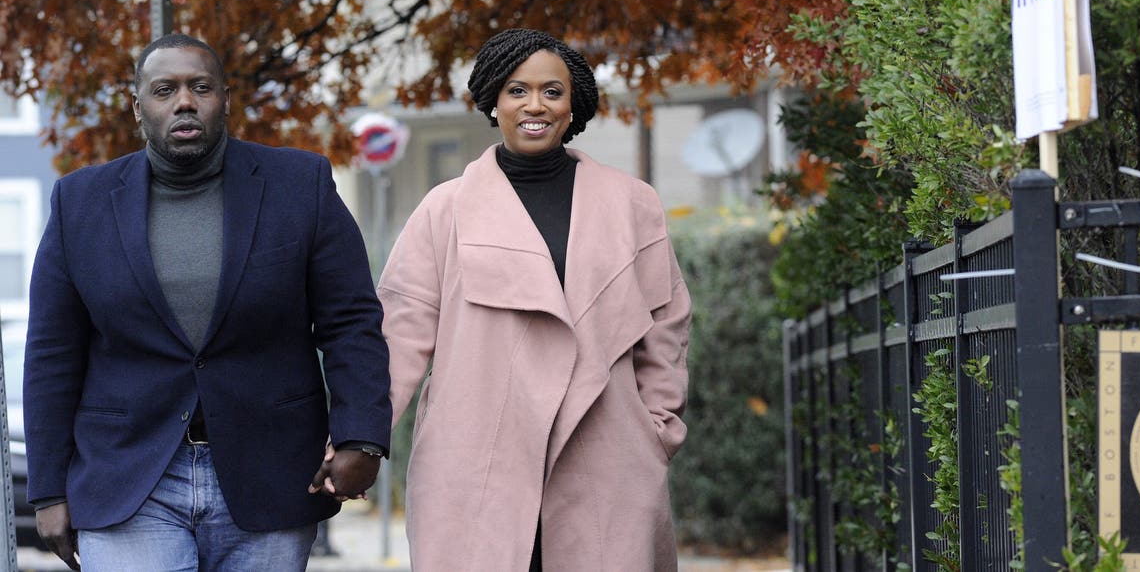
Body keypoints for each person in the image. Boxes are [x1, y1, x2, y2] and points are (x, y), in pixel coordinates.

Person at [23, 33, 392, 571]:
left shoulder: (300, 184)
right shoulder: (80, 201)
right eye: (164, 89)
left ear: (224, 99)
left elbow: (351, 322)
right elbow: (53, 352)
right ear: (138, 107)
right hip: (128, 475)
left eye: (201, 87)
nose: (185, 101)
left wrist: (362, 436)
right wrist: (49, 489)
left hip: (269, 473)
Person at [378, 28, 692, 571]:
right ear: (492, 101)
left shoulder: (632, 204)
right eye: (517, 90)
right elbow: (400, 333)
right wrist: (359, 437)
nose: (534, 105)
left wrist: (657, 428)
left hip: (607, 456)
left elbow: (666, 323)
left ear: (574, 106)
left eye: (552, 91)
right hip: (477, 456)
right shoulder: (445, 209)